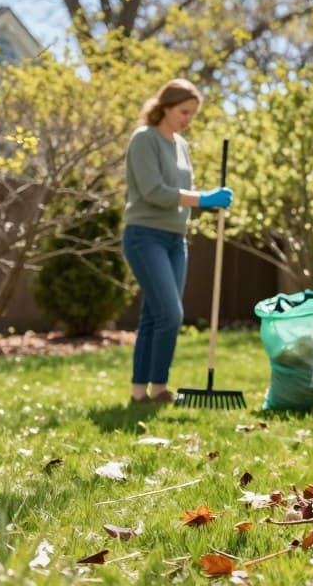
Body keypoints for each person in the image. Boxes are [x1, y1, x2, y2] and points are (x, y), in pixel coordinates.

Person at [123, 78, 233, 404]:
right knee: (170, 314)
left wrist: (211, 203)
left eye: (192, 114)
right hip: (144, 236)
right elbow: (154, 192)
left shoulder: (181, 145)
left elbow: (182, 194)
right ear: (166, 107)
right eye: (184, 112)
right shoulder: (145, 139)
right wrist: (204, 199)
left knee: (155, 315)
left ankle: (147, 391)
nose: (188, 119)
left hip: (175, 239)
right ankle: (153, 388)